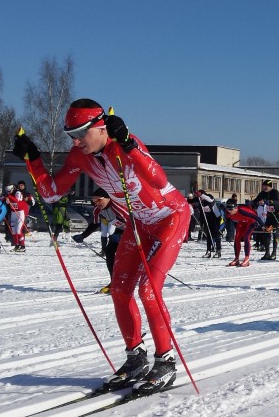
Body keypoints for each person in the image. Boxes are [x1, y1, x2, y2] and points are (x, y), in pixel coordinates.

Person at [12, 98, 189, 395]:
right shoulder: (79, 156)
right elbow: (52, 193)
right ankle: (135, 358)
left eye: (81, 133)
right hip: (139, 225)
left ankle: (165, 360)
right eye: (71, 135)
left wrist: (129, 142)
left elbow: (159, 180)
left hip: (170, 217)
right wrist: (34, 159)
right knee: (119, 290)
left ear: (101, 127)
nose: (77, 141)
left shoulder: (124, 145)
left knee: (148, 290)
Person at [73, 188, 126, 293]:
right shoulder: (97, 210)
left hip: (138, 230)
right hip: (121, 230)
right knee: (109, 251)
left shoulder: (119, 207)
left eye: (99, 199)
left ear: (108, 199)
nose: (96, 202)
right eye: (94, 200)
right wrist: (83, 235)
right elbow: (95, 223)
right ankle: (114, 282)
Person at [225, 199, 263, 266]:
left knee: (246, 237)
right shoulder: (227, 212)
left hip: (251, 221)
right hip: (242, 222)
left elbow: (256, 217)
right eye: (228, 209)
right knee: (237, 237)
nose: (229, 211)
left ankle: (247, 259)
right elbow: (229, 221)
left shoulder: (242, 211)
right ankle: (236, 259)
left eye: (231, 209)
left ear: (236, 208)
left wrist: (264, 226)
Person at [255, 180, 279, 260]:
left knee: (275, 233)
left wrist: (271, 201)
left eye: (265, 186)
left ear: (270, 186)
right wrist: (251, 203)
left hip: (278, 215)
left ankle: (274, 253)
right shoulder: (262, 193)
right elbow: (256, 200)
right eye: (263, 186)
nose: (264, 188)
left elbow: (278, 203)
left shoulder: (275, 192)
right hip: (270, 215)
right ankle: (267, 253)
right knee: (266, 232)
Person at [4, 184, 29, 252]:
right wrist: (5, 198)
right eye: (7, 191)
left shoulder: (18, 192)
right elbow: (7, 202)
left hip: (20, 212)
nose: (8, 192)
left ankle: (23, 246)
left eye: (9, 191)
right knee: (14, 231)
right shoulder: (9, 194)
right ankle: (16, 246)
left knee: (18, 230)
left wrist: (9, 196)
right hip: (13, 213)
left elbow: (17, 200)